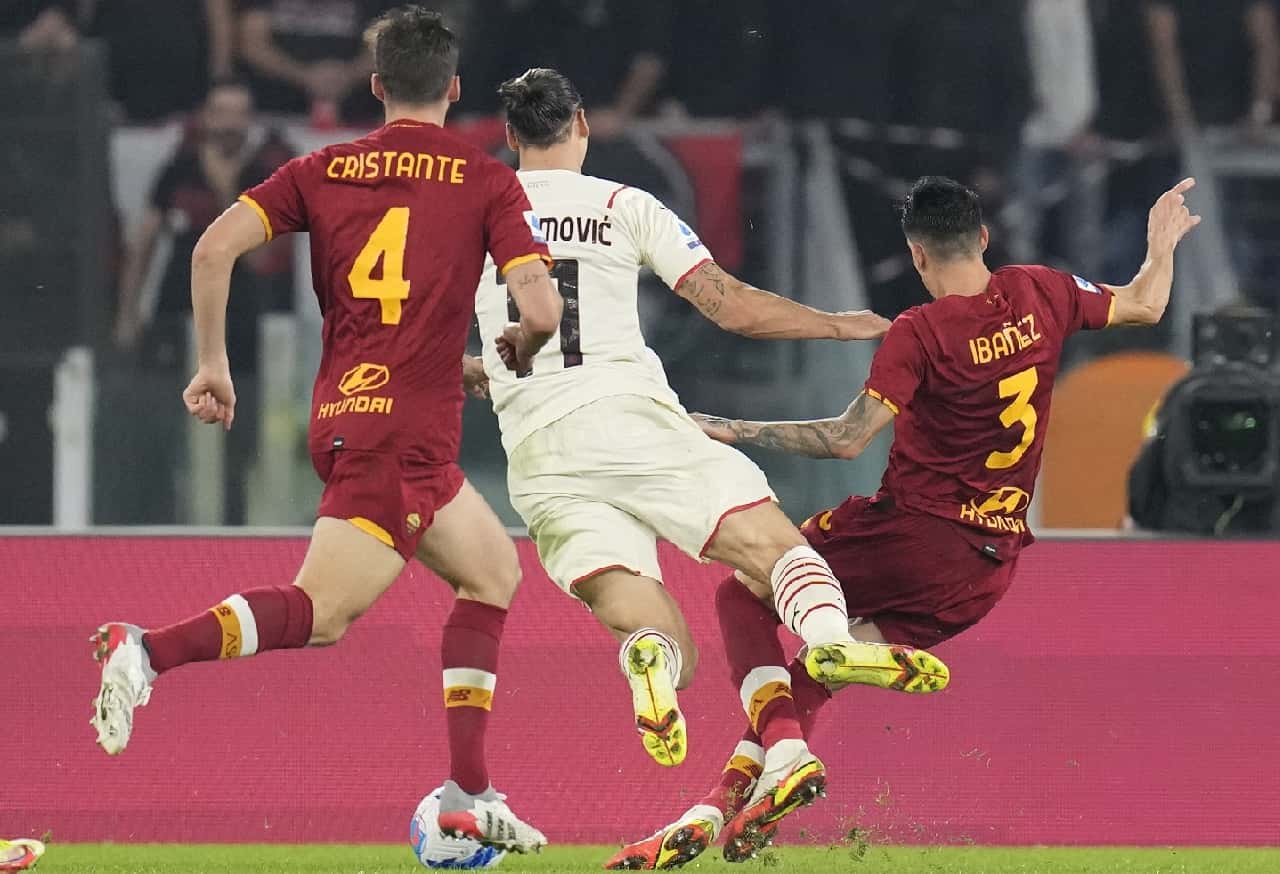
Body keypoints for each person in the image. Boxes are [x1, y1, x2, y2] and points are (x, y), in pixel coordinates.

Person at [609, 175, 1201, 868]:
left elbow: (846, 439)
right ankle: (719, 806)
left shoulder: (920, 332)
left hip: (912, 534)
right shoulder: (1042, 290)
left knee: (743, 593)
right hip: (987, 567)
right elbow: (1145, 303)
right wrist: (1161, 245)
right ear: (983, 237)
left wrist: (733, 428)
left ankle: (789, 756)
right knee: (816, 669)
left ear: (917, 255)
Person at [90, 7, 561, 852]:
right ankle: (147, 650)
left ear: (375, 86)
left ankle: (469, 791)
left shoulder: (321, 168)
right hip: (401, 436)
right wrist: (521, 344)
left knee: (492, 571)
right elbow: (542, 309)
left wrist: (213, 363)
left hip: (353, 416)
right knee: (323, 614)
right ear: (454, 89)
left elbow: (211, 249)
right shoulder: (486, 179)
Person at [467, 67, 950, 791]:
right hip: (627, 417)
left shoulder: (475, 215)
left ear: (510, 136)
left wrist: (479, 371)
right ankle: (829, 641)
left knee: (657, 630)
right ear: (583, 125)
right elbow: (731, 307)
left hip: (538, 453)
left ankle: (651, 660)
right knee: (775, 550)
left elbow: (427, 332)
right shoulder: (623, 204)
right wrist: (837, 325)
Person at [112, 77, 293, 525]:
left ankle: (236, 525)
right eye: (222, 112)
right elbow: (144, 240)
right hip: (176, 314)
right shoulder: (179, 168)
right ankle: (160, 522)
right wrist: (128, 313)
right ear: (206, 118)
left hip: (242, 319)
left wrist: (232, 203)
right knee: (164, 425)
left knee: (240, 433)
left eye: (239, 113)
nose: (230, 123)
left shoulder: (267, 175)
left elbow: (271, 254)